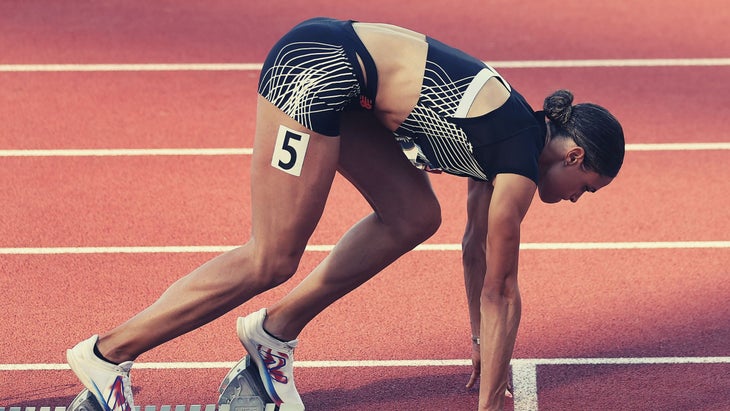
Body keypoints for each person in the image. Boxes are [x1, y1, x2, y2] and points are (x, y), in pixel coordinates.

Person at [66, 17, 624, 411]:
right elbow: (501, 291)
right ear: (574, 155)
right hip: (317, 70)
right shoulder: (517, 168)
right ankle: (109, 354)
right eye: (587, 188)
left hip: (350, 87)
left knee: (413, 215)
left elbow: (475, 253)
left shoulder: (513, 146)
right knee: (272, 257)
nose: (577, 199)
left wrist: (482, 347)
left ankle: (273, 334)